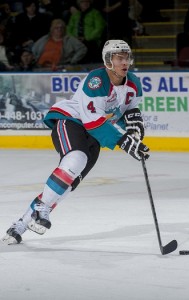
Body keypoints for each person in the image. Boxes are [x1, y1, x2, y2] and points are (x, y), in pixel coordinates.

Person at [2, 39, 150, 245]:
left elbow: (129, 110)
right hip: (72, 122)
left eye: (127, 57)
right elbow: (93, 121)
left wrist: (134, 128)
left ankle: (20, 224)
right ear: (108, 60)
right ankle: (39, 211)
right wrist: (125, 142)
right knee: (76, 159)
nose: (125, 62)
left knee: (66, 186)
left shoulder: (133, 83)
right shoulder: (96, 80)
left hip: (96, 135)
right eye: (119, 58)